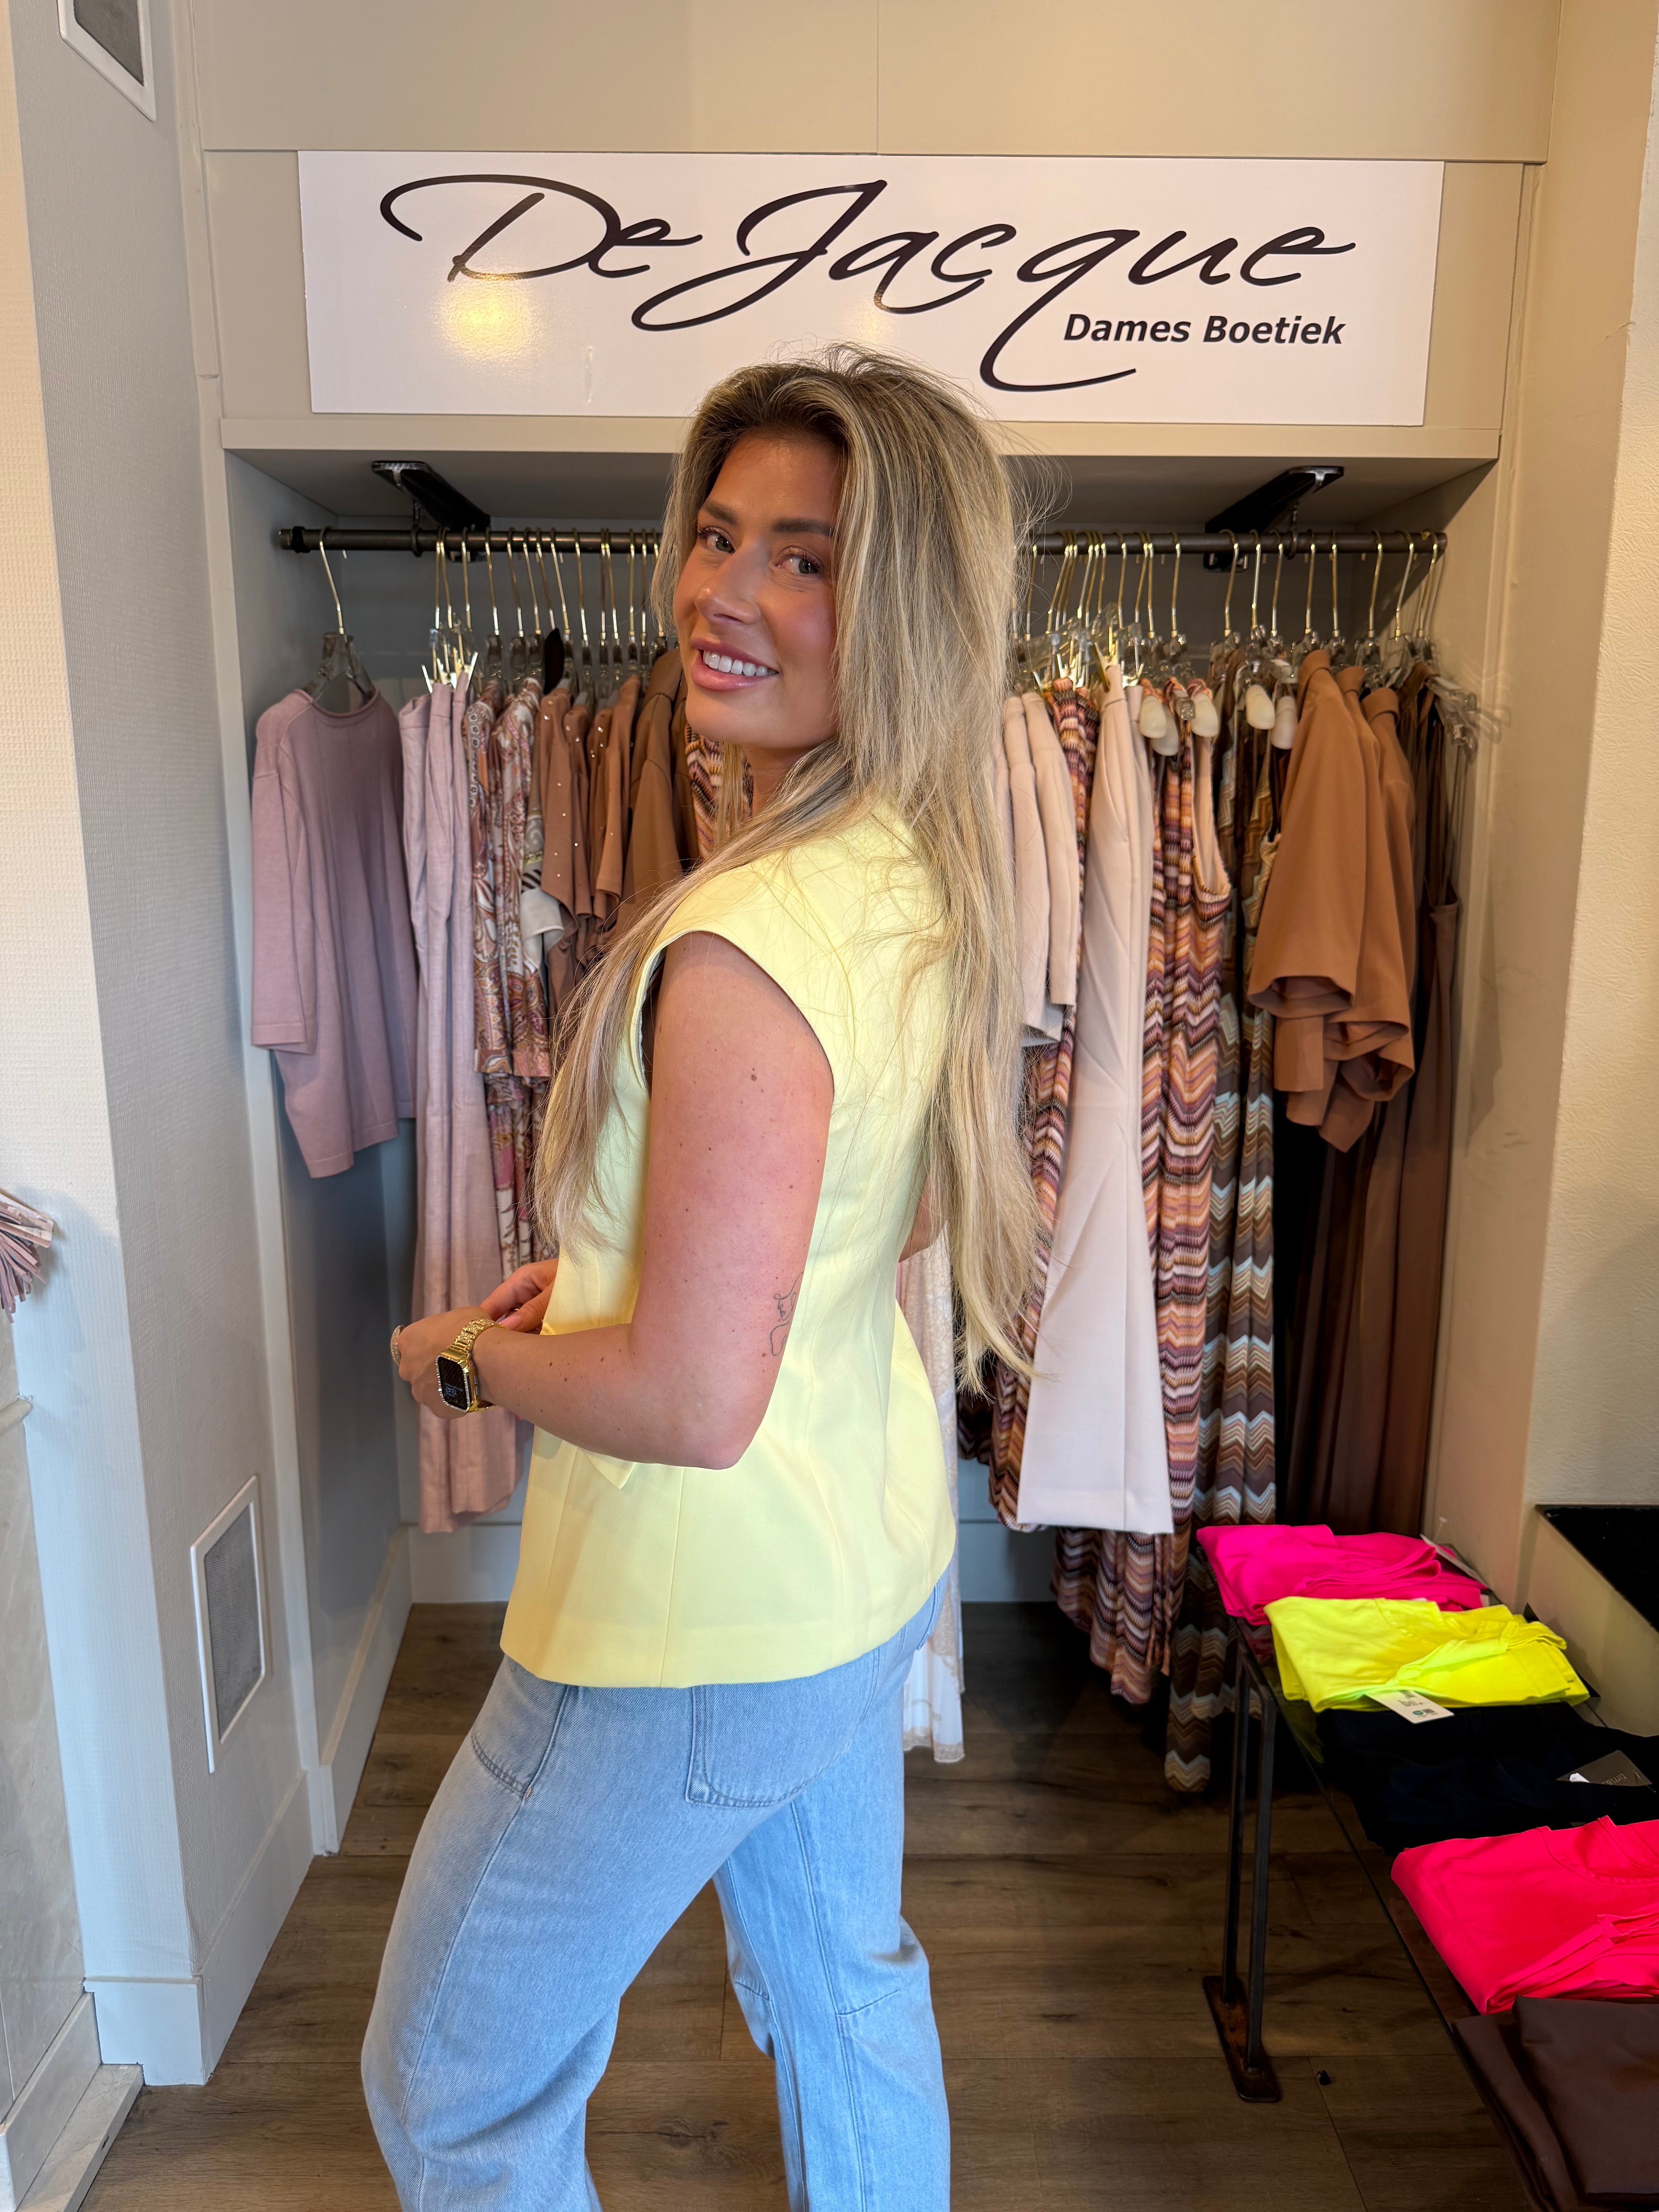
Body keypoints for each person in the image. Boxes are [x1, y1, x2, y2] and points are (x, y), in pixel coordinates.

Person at [364, 347, 1036, 2212]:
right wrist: (633, 1263)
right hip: (850, 1572)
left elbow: (687, 1399)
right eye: (719, 535)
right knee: (845, 1989)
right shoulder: (912, 874)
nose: (725, 593)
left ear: (900, 607)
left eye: (806, 559)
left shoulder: (748, 937)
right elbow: (886, 1224)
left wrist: (461, 1361)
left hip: (691, 1625)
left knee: (452, 2085)